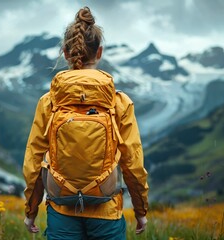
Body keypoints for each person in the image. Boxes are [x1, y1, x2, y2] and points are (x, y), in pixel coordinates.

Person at [23, 6, 149, 239]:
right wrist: (141, 210)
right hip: (106, 209)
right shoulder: (119, 101)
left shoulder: (49, 102)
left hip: (61, 207)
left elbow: (34, 160)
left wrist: (31, 211)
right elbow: (133, 161)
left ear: (66, 53)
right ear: (99, 52)